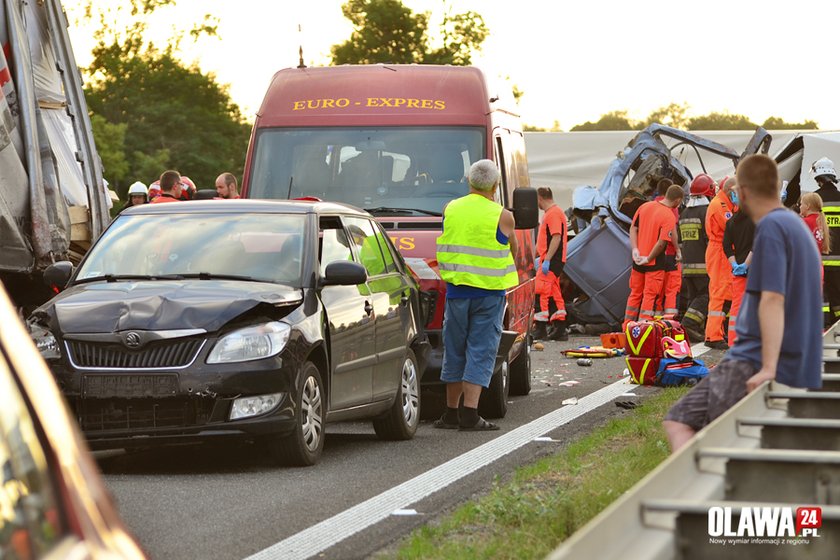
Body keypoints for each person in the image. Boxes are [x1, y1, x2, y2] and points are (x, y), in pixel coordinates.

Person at [664, 154, 823, 452]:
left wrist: (769, 367)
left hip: (753, 360)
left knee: (680, 420)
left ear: (745, 191)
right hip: (789, 358)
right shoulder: (795, 226)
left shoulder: (772, 228)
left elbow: (773, 298)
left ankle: (707, 490)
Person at [435, 159, 518, 431]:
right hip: (489, 294)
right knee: (480, 350)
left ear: (468, 181)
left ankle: (450, 413)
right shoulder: (503, 215)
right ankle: (470, 414)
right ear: (495, 186)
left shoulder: (450, 209)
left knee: (455, 348)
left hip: (456, 292)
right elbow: (513, 250)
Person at [624, 184, 683, 328]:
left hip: (638, 260)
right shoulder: (668, 215)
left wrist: (635, 249)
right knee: (650, 296)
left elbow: (633, 228)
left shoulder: (645, 206)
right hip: (654, 263)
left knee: (635, 294)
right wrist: (650, 258)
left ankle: (627, 327)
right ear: (678, 201)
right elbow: (662, 242)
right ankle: (642, 329)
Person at [678, 174, 714, 342]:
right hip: (703, 265)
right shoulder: (706, 212)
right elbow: (710, 240)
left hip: (687, 266)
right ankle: (689, 324)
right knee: (706, 296)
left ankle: (694, 328)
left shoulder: (685, 212)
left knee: (694, 298)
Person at [703, 175, 737, 349]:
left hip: (723, 251)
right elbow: (731, 225)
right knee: (719, 293)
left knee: (726, 293)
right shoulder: (719, 205)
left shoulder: (727, 203)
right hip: (719, 252)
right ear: (731, 190)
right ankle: (713, 335)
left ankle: (716, 332)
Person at [533, 187, 568, 341]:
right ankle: (560, 328)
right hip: (553, 260)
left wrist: (546, 259)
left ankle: (540, 329)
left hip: (551, 260)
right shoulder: (555, 213)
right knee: (554, 294)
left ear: (540, 198)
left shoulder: (553, 214)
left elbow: (556, 237)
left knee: (541, 292)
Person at [812, 157, 840, 326]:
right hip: (839, 261)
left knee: (821, 293)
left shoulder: (814, 200)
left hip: (820, 260)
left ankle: (824, 324)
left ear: (819, 179)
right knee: (838, 294)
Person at [723, 207, 754, 346]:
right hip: (757, 269)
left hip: (738, 270)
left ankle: (733, 341)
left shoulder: (731, 222)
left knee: (736, 306)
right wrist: (747, 264)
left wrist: (735, 264)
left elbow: (726, 246)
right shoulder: (758, 219)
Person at [653, 178, 681, 318]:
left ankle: (656, 318)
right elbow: (673, 229)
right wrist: (678, 250)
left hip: (655, 253)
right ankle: (670, 320)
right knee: (671, 288)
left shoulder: (652, 205)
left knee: (658, 289)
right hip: (669, 252)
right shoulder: (672, 207)